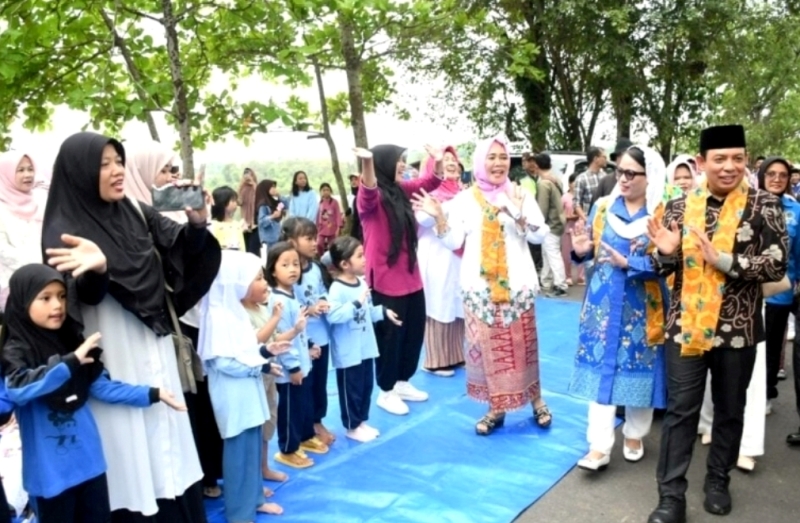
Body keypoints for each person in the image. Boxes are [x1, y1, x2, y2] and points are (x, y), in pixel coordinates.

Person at [41, 131, 221, 522]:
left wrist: (197, 224)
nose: (117, 170)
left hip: (153, 343)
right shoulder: (64, 228)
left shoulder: (135, 210)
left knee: (168, 436)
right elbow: (79, 301)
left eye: (119, 161)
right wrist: (99, 270)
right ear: (80, 172)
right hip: (113, 351)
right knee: (130, 450)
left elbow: (180, 250)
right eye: (104, 164)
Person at [645, 125, 788, 523]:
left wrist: (723, 260)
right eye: (720, 159)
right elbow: (662, 266)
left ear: (746, 160)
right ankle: (670, 498)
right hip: (685, 327)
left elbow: (776, 264)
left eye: (737, 158)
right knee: (680, 412)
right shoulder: (678, 207)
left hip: (738, 329)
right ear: (702, 162)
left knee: (729, 409)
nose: (729, 167)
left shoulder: (764, 205)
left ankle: (717, 480)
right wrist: (667, 254)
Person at [2, 263, 187, 523]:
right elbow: (18, 389)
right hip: (51, 477)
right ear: (23, 301)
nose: (57, 305)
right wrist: (69, 363)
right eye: (45, 298)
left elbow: (102, 386)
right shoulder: (15, 355)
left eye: (62, 296)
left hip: (90, 465)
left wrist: (153, 394)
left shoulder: (72, 340)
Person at [416, 136, 553, 435]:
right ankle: (496, 408)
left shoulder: (518, 193)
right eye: (491, 157)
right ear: (480, 162)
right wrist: (439, 219)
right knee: (488, 350)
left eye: (503, 157)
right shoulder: (465, 200)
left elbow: (539, 235)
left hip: (517, 287)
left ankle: (537, 401)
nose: (498, 163)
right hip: (480, 290)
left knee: (524, 347)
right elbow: (454, 240)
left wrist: (519, 215)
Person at [124, 142, 224, 498]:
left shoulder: (175, 214)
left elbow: (196, 255)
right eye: (163, 170)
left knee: (196, 400)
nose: (170, 177)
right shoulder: (127, 217)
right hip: (154, 327)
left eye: (172, 170)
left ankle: (205, 474)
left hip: (191, 322)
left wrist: (196, 221)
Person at [568, 145, 669, 471]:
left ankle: (635, 434)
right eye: (620, 171)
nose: (623, 179)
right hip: (602, 302)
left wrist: (631, 263)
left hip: (643, 305)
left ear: (649, 176)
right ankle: (598, 446)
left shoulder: (661, 213)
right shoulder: (603, 208)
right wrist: (581, 251)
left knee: (640, 367)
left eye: (631, 173)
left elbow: (670, 263)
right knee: (601, 368)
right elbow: (591, 251)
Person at [353, 144, 443, 416]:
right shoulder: (371, 200)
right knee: (390, 338)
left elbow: (430, 182)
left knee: (413, 333)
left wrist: (437, 161)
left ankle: (403, 381)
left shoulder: (400, 191)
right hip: (385, 279)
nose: (402, 165)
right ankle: (386, 390)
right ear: (383, 164)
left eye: (404, 160)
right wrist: (367, 163)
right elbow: (368, 189)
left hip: (411, 276)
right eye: (397, 160)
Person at [197, 251, 286, 519]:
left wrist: (266, 351)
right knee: (238, 456)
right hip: (234, 398)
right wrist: (260, 366)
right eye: (256, 277)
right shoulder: (217, 316)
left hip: (248, 393)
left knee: (252, 449)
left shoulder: (233, 312)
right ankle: (239, 512)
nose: (263, 282)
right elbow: (223, 362)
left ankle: (255, 499)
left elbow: (245, 350)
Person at [326, 236, 401, 441]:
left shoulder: (361, 283)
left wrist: (383, 312)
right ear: (344, 264)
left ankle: (361, 422)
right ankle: (352, 426)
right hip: (349, 352)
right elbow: (334, 315)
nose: (364, 259)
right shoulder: (337, 289)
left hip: (365, 348)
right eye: (359, 256)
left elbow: (367, 311)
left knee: (366, 386)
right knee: (351, 389)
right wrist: (356, 304)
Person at [265, 241, 328, 468]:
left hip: (303, 364)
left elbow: (299, 328)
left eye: (295, 264)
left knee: (304, 405)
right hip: (290, 371)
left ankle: (305, 436)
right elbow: (281, 338)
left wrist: (309, 344)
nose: (293, 269)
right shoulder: (278, 301)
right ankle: (288, 449)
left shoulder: (292, 295)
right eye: (285, 265)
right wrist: (293, 367)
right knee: (290, 410)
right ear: (273, 270)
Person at [280, 217, 335, 445]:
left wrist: (323, 301)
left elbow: (322, 291)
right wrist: (308, 310)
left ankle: (317, 421)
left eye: (315, 238)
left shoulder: (316, 268)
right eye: (309, 239)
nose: (315, 243)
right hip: (303, 340)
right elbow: (289, 306)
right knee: (304, 386)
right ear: (292, 242)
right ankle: (305, 430)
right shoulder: (287, 275)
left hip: (320, 336)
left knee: (320, 383)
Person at [415, 146, 466, 377]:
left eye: (453, 159)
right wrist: (442, 208)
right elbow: (423, 219)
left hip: (458, 256)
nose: (452, 163)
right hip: (436, 257)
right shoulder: (428, 192)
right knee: (438, 304)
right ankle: (434, 361)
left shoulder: (462, 191)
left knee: (456, 302)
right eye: (446, 160)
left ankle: (455, 355)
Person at [0, 152, 44, 313]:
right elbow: (3, 250)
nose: (27, 175)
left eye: (30, 169)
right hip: (13, 285)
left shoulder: (40, 201)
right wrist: (36, 267)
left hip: (46, 282)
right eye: (20, 170)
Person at [533, 153, 568, 297]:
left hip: (550, 224)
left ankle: (560, 285)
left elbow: (542, 208)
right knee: (547, 253)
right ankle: (546, 281)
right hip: (558, 221)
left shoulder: (543, 184)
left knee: (552, 254)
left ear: (536, 166)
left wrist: (536, 224)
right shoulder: (556, 180)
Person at [519, 152, 543, 272]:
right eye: (530, 161)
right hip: (527, 219)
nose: (533, 164)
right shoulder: (521, 179)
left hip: (541, 216)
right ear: (524, 163)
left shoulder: (541, 177)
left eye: (534, 161)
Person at [591, 138, 632, 208]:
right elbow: (595, 209)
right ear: (616, 158)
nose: (625, 159)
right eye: (621, 156)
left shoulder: (638, 181)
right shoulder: (605, 182)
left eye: (629, 156)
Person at [562, 173, 585, 286]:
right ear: (569, 184)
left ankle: (581, 277)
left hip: (580, 228)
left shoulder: (582, 196)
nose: (576, 185)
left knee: (581, 252)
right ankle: (568, 276)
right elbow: (560, 214)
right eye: (574, 182)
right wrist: (569, 217)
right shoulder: (565, 197)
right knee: (567, 254)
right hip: (568, 228)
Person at [209, 186, 246, 252]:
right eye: (233, 200)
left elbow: (242, 247)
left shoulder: (236, 225)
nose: (236, 203)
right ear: (223, 202)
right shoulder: (212, 225)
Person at [575, 146, 607, 219]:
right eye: (604, 157)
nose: (606, 159)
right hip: (589, 219)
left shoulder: (605, 176)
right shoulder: (581, 179)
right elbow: (576, 203)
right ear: (596, 159)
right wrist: (586, 219)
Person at [255, 179, 285, 251]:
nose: (274, 189)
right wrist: (272, 216)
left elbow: (286, 204)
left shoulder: (274, 202)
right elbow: (261, 222)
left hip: (278, 238)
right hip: (269, 240)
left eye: (275, 187)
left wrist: (279, 196)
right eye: (272, 187)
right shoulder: (263, 205)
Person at [316, 182, 343, 257]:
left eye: (327, 190)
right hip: (321, 228)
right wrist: (316, 227)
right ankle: (321, 257)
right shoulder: (319, 203)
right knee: (319, 244)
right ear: (321, 192)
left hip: (332, 228)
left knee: (332, 246)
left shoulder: (334, 202)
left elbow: (338, 215)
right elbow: (317, 216)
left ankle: (332, 259)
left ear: (330, 191)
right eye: (323, 190)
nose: (325, 192)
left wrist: (338, 228)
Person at [238, 168, 260, 255]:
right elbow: (239, 202)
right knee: (246, 249)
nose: (247, 176)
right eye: (245, 174)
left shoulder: (257, 187)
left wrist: (253, 184)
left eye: (249, 174)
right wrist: (240, 186)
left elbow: (259, 199)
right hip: (245, 224)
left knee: (254, 249)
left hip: (255, 223)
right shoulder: (242, 188)